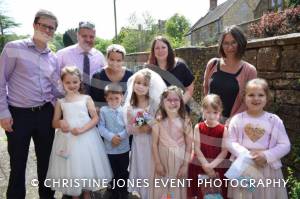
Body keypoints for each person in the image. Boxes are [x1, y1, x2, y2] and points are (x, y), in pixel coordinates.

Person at [0, 9, 61, 199]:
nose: (48, 30)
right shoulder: (13, 48)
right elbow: (1, 81)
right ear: (35, 25)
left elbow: (56, 89)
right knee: (18, 164)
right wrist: (3, 112)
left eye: (52, 28)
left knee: (46, 163)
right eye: (45, 26)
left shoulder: (54, 57)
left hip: (45, 114)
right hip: (19, 115)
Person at [46, 66, 112, 199]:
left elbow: (95, 118)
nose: (72, 85)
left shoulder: (86, 98)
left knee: (86, 165)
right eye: (68, 82)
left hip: (86, 137)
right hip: (67, 139)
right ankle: (74, 194)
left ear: (80, 82)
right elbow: (54, 122)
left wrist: (82, 129)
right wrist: (61, 123)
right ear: (62, 83)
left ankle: (87, 193)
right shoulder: (61, 102)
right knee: (72, 168)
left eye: (75, 82)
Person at [226, 78, 290, 198]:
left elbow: (285, 144)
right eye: (251, 95)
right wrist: (248, 155)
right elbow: (230, 141)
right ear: (244, 97)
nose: (256, 98)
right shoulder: (237, 120)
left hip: (267, 169)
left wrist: (266, 156)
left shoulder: (273, 120)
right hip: (244, 167)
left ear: (267, 97)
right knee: (244, 195)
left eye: (261, 95)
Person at [124, 68, 167, 199]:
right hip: (138, 143)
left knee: (152, 169)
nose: (140, 87)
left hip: (153, 143)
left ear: (150, 87)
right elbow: (133, 128)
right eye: (138, 83)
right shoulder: (130, 105)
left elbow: (155, 125)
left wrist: (144, 118)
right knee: (142, 169)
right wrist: (145, 121)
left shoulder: (154, 103)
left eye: (144, 84)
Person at [203, 25, 257, 123]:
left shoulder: (249, 70)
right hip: (208, 121)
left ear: (240, 43)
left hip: (232, 124)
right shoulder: (213, 64)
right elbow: (206, 89)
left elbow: (248, 101)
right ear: (221, 45)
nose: (229, 47)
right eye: (226, 43)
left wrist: (231, 121)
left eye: (233, 42)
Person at [151, 86, 193, 199]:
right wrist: (158, 163)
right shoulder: (158, 121)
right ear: (163, 102)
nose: (172, 103)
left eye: (176, 100)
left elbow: (189, 145)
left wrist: (185, 165)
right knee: (162, 186)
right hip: (163, 157)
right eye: (169, 100)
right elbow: (154, 144)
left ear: (181, 102)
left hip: (179, 159)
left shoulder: (185, 121)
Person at [187, 94, 228, 199]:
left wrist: (212, 166)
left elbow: (224, 151)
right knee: (201, 193)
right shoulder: (198, 127)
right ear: (203, 111)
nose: (211, 116)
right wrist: (206, 165)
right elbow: (196, 148)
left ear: (220, 111)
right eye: (208, 112)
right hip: (200, 164)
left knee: (216, 193)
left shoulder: (224, 129)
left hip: (217, 165)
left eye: (215, 112)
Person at [98, 83, 130, 199]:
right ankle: (113, 190)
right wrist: (111, 137)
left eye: (116, 98)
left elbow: (129, 127)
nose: (114, 101)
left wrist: (120, 136)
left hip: (124, 148)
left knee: (123, 170)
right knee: (111, 170)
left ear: (122, 97)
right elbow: (101, 127)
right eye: (110, 99)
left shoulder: (126, 111)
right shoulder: (103, 111)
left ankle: (123, 190)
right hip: (109, 149)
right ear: (106, 98)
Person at [56, 21, 106, 94]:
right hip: (69, 101)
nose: (88, 39)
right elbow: (54, 79)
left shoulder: (99, 56)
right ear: (77, 36)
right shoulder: (62, 54)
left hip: (94, 101)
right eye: (84, 36)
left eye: (91, 37)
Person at [147, 36, 195, 105]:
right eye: (157, 48)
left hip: (178, 112)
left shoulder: (180, 66)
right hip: (157, 112)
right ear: (153, 51)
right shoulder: (149, 70)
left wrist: (179, 105)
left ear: (168, 49)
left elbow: (189, 89)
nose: (160, 50)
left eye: (163, 47)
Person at [91, 44, 133, 108]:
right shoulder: (97, 76)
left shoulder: (130, 75)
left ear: (123, 61)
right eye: (112, 59)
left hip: (124, 113)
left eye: (118, 60)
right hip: (103, 114)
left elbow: (133, 97)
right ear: (107, 58)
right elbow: (93, 99)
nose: (114, 63)